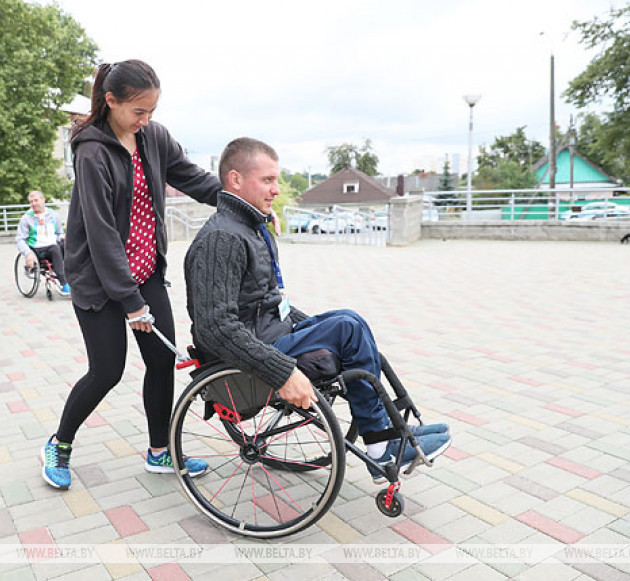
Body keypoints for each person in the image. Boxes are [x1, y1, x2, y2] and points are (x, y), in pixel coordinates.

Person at [183, 137, 451, 483]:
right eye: (268, 180)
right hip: (250, 354)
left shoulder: (249, 229)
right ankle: (379, 448)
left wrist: (313, 330)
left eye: (275, 180)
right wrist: (282, 372)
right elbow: (214, 328)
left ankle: (390, 431)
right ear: (235, 180)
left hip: (269, 334)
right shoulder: (222, 239)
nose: (276, 190)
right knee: (347, 328)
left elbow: (272, 303)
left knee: (348, 322)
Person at [39, 59, 222, 490]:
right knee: (107, 370)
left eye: (152, 112)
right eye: (138, 112)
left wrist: (238, 199)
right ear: (111, 101)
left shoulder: (153, 137)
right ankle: (59, 444)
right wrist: (130, 301)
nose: (146, 121)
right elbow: (102, 234)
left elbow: (192, 178)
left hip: (145, 271)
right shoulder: (91, 152)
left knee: (161, 361)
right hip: (100, 280)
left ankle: (161, 451)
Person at [16, 190, 70, 295]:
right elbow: (20, 239)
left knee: (69, 246)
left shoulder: (53, 215)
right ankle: (64, 283)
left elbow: (59, 233)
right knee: (55, 248)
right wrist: (28, 253)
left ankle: (76, 277)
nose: (34, 204)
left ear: (43, 200)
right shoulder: (26, 218)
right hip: (37, 248)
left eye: (36, 200)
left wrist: (63, 238)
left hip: (54, 245)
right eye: (31, 202)